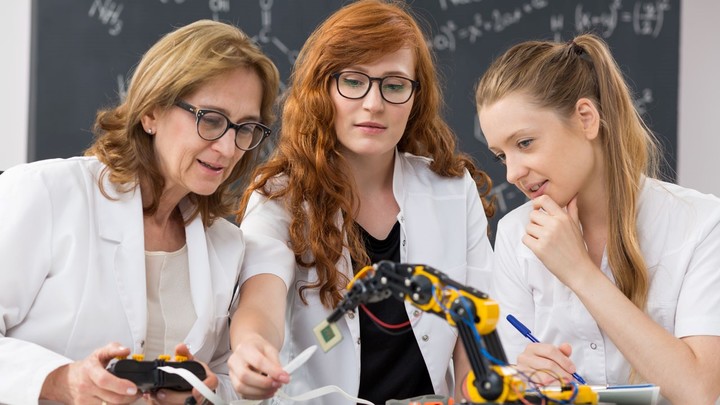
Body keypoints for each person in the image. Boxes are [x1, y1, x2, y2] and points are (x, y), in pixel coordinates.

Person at [226, 1, 495, 404]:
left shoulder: (454, 191)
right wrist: (251, 347)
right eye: (353, 81)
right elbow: (259, 297)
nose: (374, 103)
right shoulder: (280, 197)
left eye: (394, 84)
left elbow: (475, 328)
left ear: (415, 97)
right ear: (322, 88)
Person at [0, 20, 280, 405]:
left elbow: (224, 377)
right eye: (211, 120)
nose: (229, 148)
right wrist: (60, 380)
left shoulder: (224, 244)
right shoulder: (46, 193)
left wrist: (201, 393)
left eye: (245, 128)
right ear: (150, 112)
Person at [475, 33, 720, 404]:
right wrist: (523, 379)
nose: (511, 174)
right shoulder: (514, 235)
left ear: (586, 119)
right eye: (501, 155)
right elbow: (507, 384)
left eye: (524, 143)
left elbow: (700, 392)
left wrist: (580, 274)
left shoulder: (701, 224)